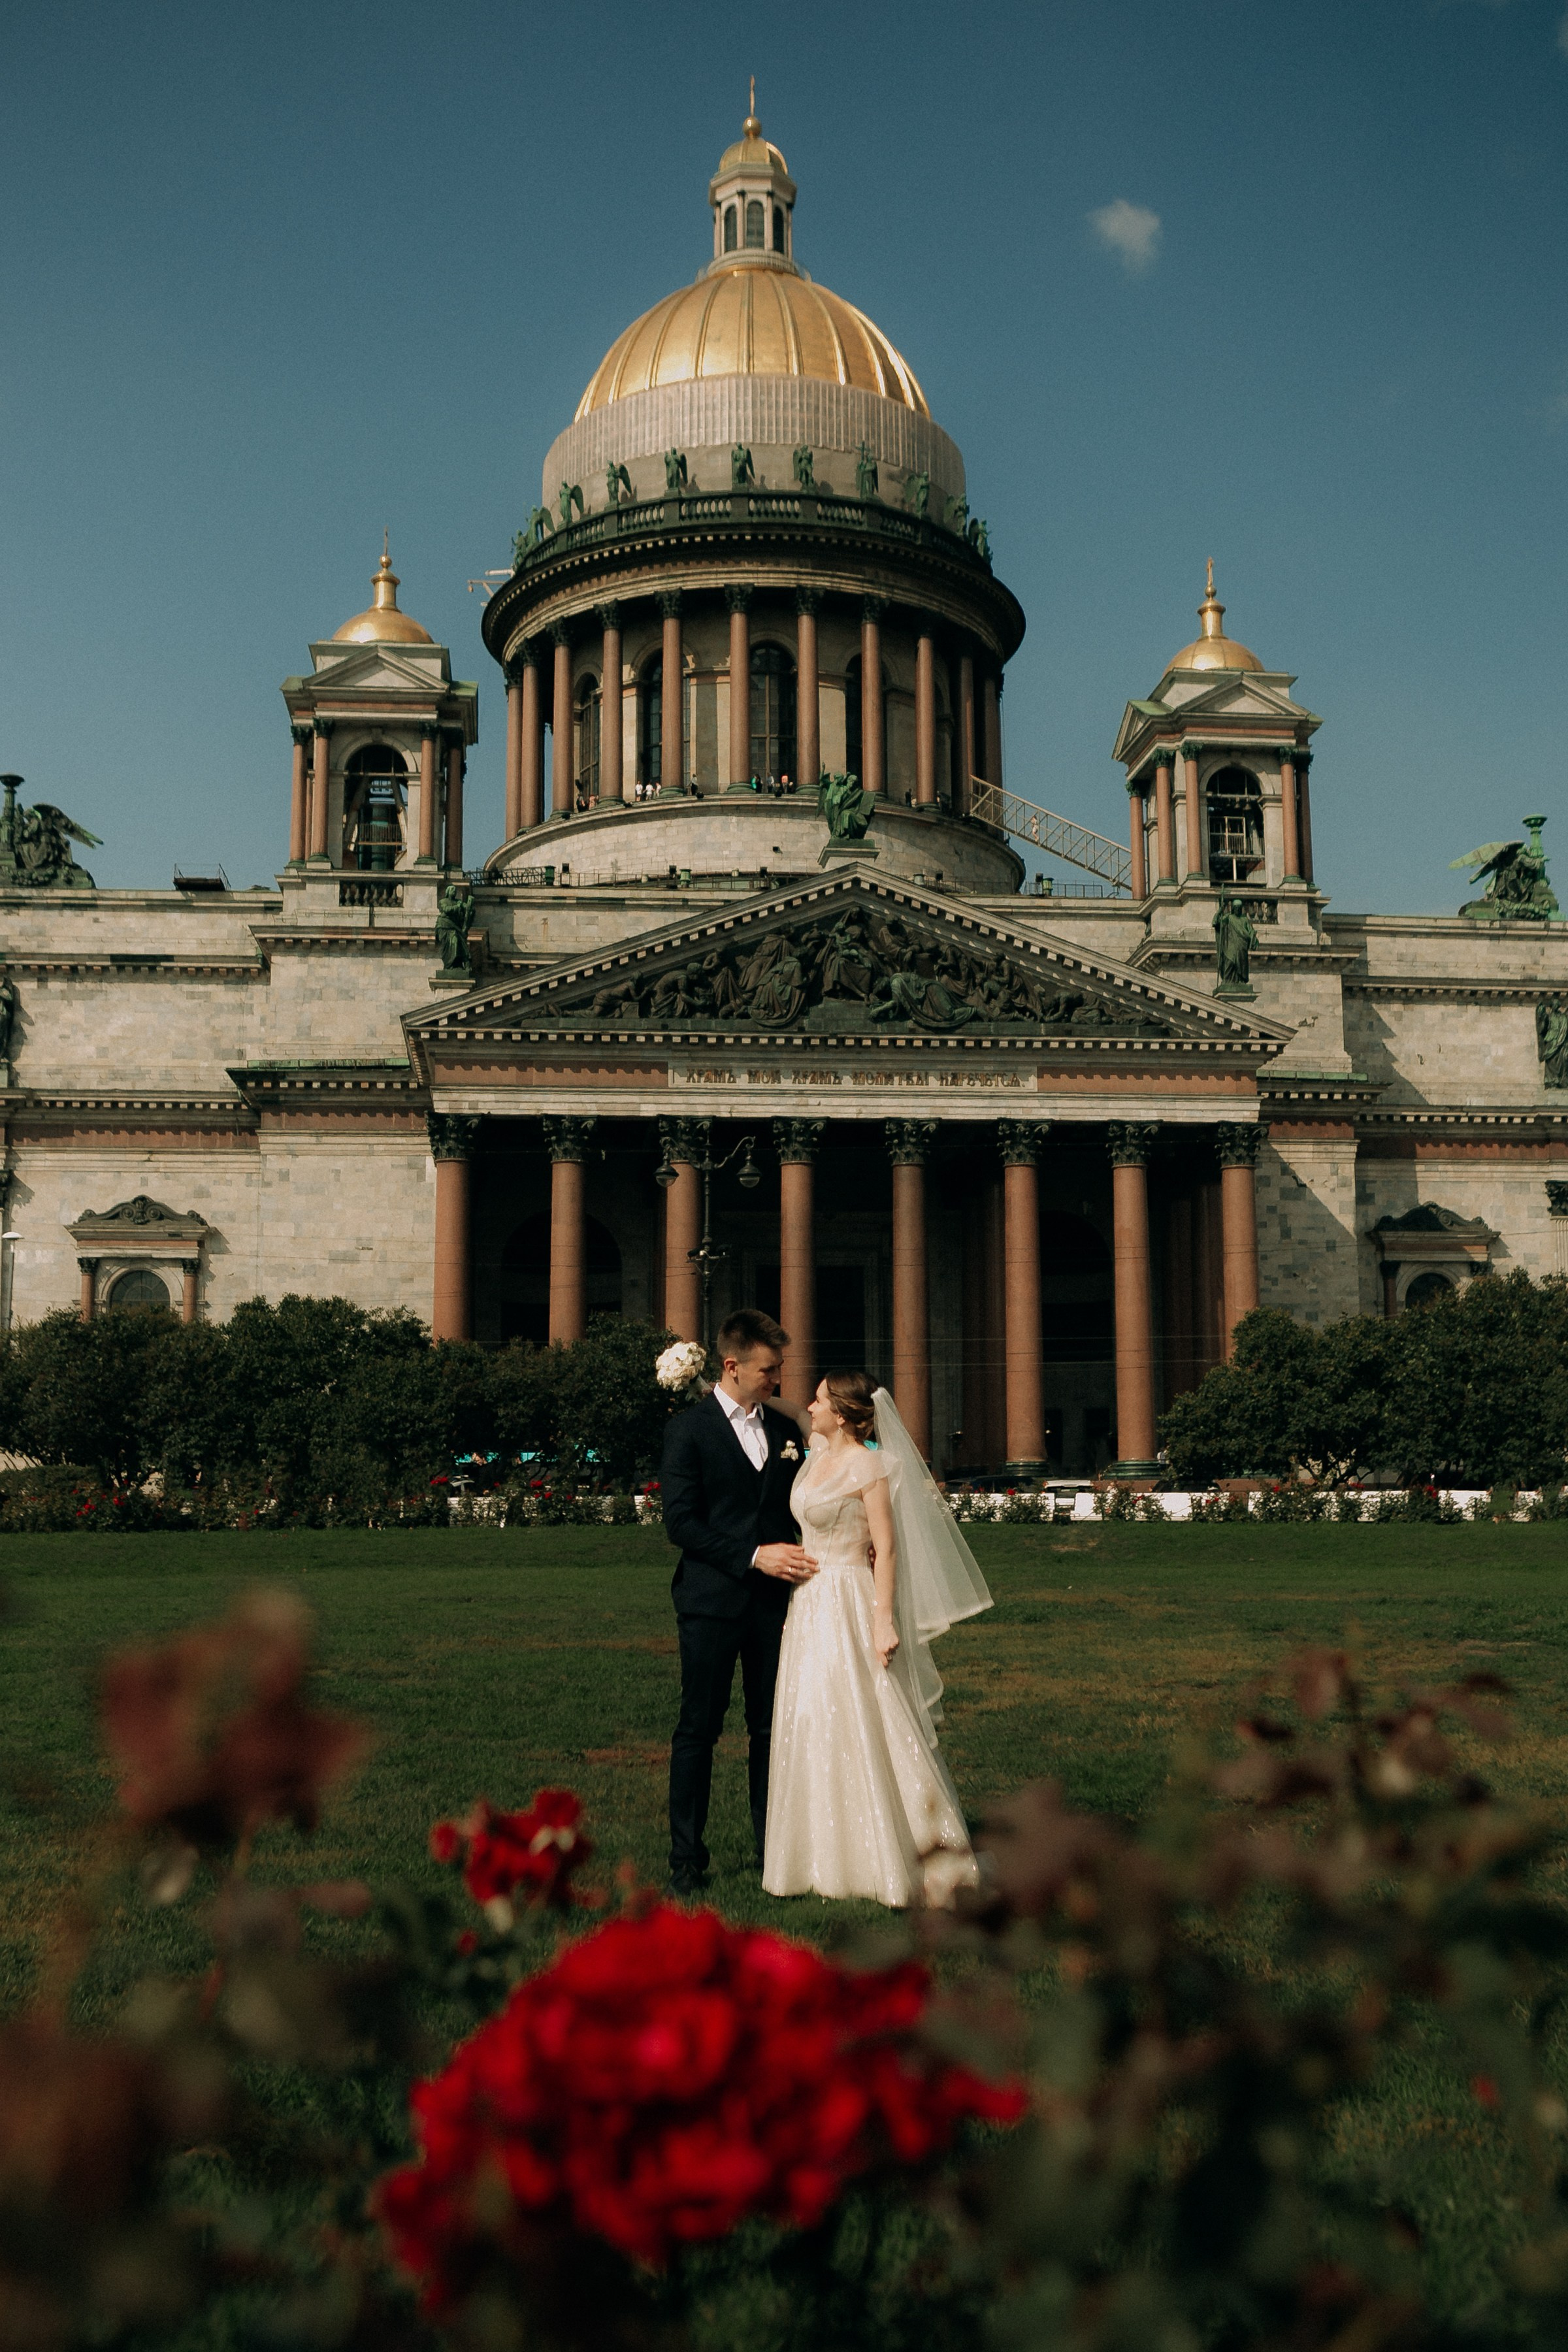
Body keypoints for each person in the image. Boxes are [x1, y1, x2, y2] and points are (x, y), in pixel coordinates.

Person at [763, 1371, 994, 1908]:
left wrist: (883, 1619)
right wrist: (737, 1390)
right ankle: (821, 1855)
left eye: (820, 1399)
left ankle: (901, 1853)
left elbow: (886, 1549)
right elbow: (793, 1411)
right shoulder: (819, 1448)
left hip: (850, 1598)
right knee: (814, 1716)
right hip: (809, 1604)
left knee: (871, 1716)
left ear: (841, 1413)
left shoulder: (870, 1464)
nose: (811, 1406)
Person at [661, 1309, 815, 1897]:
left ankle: (772, 1851)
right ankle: (686, 1861)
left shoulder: (784, 1433)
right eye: (769, 1369)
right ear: (733, 1366)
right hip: (710, 1603)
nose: (777, 1379)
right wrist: (754, 1555)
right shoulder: (689, 1430)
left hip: (775, 1607)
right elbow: (681, 1524)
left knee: (771, 1730)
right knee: (698, 1729)